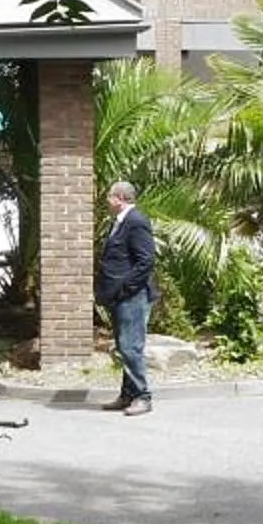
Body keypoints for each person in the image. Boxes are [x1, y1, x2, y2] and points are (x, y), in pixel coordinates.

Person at [95, 178, 157, 415]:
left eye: (110, 196)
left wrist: (125, 289)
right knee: (124, 346)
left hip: (133, 297)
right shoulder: (120, 222)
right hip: (121, 297)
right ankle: (128, 395)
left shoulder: (136, 222)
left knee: (131, 347)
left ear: (120, 198)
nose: (107, 200)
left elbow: (146, 261)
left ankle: (143, 397)